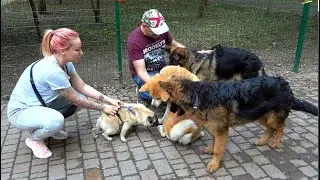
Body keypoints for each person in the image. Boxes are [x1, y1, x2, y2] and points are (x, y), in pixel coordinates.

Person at [7, 28, 124, 159]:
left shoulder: (64, 63)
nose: (81, 53)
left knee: (82, 97)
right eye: (77, 50)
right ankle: (35, 140)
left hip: (39, 105)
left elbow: (82, 86)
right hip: (20, 112)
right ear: (63, 51)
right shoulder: (53, 71)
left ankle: (48, 128)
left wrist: (109, 100)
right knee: (56, 121)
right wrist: (104, 108)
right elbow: (74, 99)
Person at [127, 9, 185, 102]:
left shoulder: (162, 31)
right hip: (146, 73)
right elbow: (141, 72)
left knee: (182, 84)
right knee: (161, 94)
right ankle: (142, 91)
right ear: (144, 25)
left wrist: (192, 53)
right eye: (155, 31)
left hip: (162, 68)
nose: (158, 34)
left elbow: (175, 44)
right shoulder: (134, 41)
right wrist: (159, 85)